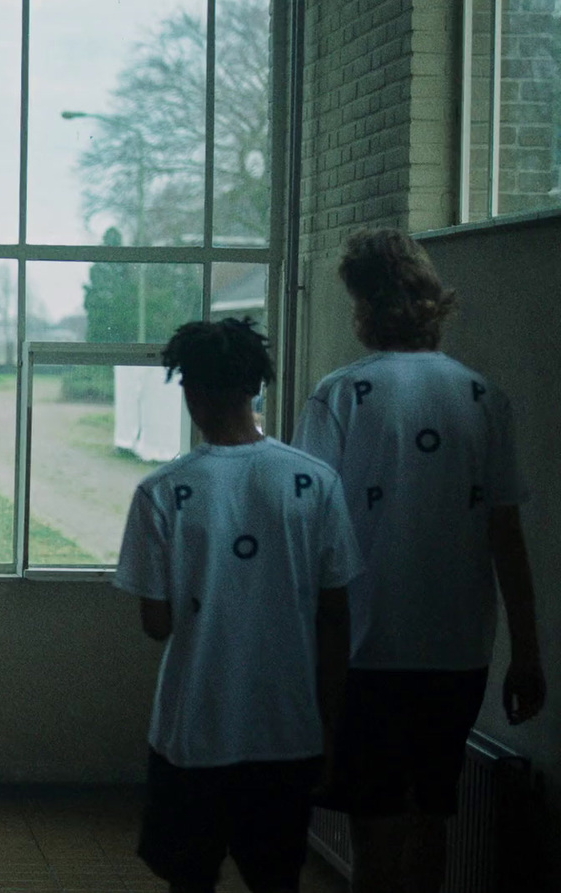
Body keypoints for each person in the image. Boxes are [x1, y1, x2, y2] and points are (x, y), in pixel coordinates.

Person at [291, 228, 547, 893]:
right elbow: (506, 534)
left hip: (366, 647)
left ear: (365, 306)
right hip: (459, 650)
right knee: (431, 815)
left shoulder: (341, 395)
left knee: (375, 826)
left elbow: (310, 534)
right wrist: (526, 652)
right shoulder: (483, 396)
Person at [116, 318, 363, 893]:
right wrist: (330, 727)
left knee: (190, 878)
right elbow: (336, 617)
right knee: (276, 879)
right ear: (257, 387)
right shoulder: (316, 481)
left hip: (193, 730)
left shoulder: (163, 491)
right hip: (287, 729)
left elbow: (156, 625)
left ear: (190, 392)